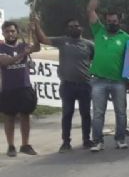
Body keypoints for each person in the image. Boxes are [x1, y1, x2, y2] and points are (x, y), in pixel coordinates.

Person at [32, 16, 95, 152]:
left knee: (86, 114)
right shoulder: (62, 41)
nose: (74, 28)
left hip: (85, 85)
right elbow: (43, 39)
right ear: (67, 29)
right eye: (71, 26)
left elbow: (95, 61)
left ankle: (87, 140)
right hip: (67, 85)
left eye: (76, 26)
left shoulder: (89, 44)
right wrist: (36, 24)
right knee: (67, 114)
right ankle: (66, 142)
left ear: (81, 28)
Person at [87, 0, 129, 151]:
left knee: (121, 112)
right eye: (109, 21)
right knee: (98, 113)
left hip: (119, 81)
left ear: (119, 21)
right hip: (98, 80)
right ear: (105, 21)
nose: (111, 23)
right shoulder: (99, 31)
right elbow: (90, 9)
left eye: (114, 21)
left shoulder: (126, 38)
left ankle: (120, 139)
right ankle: (97, 141)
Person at [0, 20, 40, 156]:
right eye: (7, 31)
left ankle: (25, 144)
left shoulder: (23, 45)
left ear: (17, 32)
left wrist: (34, 31)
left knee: (25, 116)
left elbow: (37, 47)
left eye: (12, 31)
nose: (10, 34)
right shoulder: (1, 48)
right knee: (9, 117)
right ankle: (11, 146)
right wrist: (24, 53)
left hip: (24, 86)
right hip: (8, 88)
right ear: (3, 33)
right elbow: (6, 61)